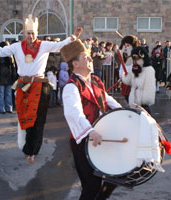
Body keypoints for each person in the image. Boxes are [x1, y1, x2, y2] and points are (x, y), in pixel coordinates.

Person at [0, 14, 82, 163]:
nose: (30, 36)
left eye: (33, 33)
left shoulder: (44, 45)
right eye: (28, 33)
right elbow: (1, 52)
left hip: (40, 85)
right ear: (24, 34)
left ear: (37, 33)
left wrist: (73, 37)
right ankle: (27, 146)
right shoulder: (17, 46)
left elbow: (60, 45)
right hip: (23, 85)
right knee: (24, 116)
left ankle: (32, 150)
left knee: (38, 119)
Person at [61, 39, 122, 200]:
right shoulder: (71, 86)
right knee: (91, 186)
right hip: (83, 141)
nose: (90, 59)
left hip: (101, 137)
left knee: (116, 175)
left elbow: (107, 99)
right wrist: (90, 131)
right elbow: (74, 113)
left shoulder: (95, 80)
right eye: (85, 57)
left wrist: (127, 113)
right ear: (75, 64)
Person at [122, 46, 156, 114]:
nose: (135, 61)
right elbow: (129, 81)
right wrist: (125, 76)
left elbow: (149, 87)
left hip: (142, 103)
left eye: (136, 58)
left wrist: (145, 100)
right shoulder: (135, 69)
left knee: (145, 120)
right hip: (134, 101)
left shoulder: (148, 70)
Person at [0, 41, 17, 114]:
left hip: (9, 76)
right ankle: (1, 109)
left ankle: (9, 108)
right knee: (1, 94)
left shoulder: (10, 55)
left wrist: (14, 75)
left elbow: (13, 66)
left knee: (8, 93)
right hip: (1, 76)